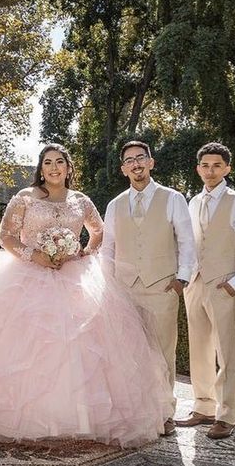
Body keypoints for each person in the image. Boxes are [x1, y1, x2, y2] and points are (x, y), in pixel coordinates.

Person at [0, 143, 173, 448]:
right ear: (41, 169)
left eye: (60, 162)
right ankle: (17, 418)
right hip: (26, 278)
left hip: (74, 277)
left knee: (83, 348)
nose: (54, 168)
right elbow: (6, 236)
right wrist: (34, 256)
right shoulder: (25, 198)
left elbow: (98, 231)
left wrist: (83, 253)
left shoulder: (80, 200)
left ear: (68, 168)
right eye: (48, 163)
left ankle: (79, 417)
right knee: (19, 349)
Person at [101, 140, 196, 433]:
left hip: (161, 287)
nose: (136, 164)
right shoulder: (115, 205)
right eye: (129, 160)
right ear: (123, 169)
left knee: (164, 354)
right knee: (130, 354)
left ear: (151, 163)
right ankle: (136, 412)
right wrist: (108, 288)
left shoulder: (172, 198)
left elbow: (186, 241)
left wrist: (181, 279)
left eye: (141, 158)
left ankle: (165, 413)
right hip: (125, 289)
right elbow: (108, 249)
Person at [175, 142, 235, 440]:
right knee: (199, 349)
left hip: (223, 284)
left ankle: (226, 415)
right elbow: (186, 245)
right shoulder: (192, 202)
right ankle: (203, 407)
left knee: (226, 351)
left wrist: (234, 284)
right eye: (205, 166)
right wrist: (183, 278)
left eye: (216, 166)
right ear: (198, 169)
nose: (210, 171)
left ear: (227, 169)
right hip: (194, 284)